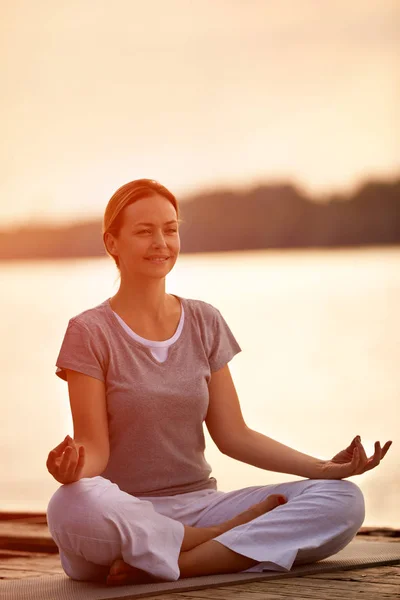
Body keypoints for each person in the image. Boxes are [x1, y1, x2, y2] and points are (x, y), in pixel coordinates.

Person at [46, 178, 392, 586]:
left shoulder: (204, 321)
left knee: (343, 500)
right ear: (112, 243)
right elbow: (95, 450)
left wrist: (324, 468)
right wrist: (73, 469)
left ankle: (184, 562)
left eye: (170, 229)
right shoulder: (89, 331)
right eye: (144, 231)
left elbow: (234, 434)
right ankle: (209, 544)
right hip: (122, 514)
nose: (161, 241)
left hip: (201, 504)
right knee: (68, 504)